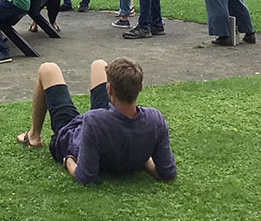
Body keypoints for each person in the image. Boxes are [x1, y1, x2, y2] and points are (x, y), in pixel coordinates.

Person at [14, 58, 176, 185]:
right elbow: (167, 173)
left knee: (48, 69)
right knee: (99, 65)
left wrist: (68, 160)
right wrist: (143, 159)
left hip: (71, 133)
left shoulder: (94, 121)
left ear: (109, 89)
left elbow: (85, 176)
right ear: (140, 87)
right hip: (108, 118)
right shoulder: (155, 119)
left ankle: (34, 136)